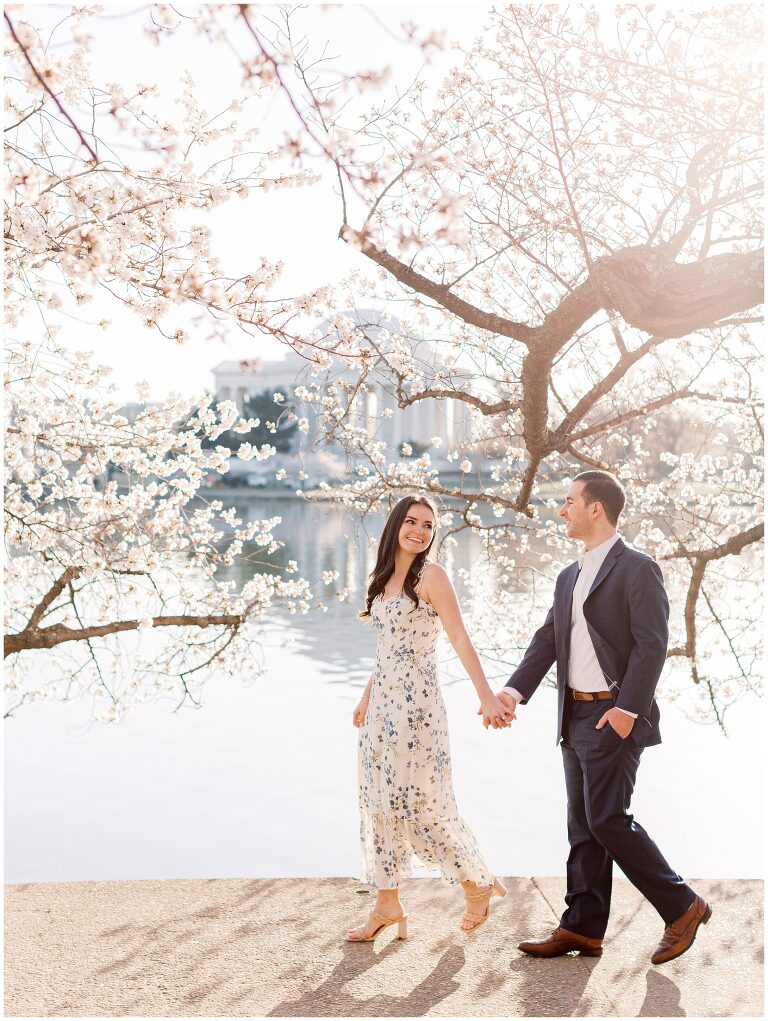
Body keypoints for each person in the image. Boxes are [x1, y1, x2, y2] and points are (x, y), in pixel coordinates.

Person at [489, 470, 711, 965]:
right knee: (583, 825)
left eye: (569, 501)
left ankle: (683, 905)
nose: (562, 510)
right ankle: (583, 928)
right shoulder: (568, 575)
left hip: (614, 715)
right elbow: (548, 638)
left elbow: (653, 644)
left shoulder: (637, 568)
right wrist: (512, 691)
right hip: (573, 715)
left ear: (596, 508)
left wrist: (627, 710)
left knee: (608, 820)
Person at [347, 494, 513, 942]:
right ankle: (387, 903)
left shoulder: (432, 576)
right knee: (378, 801)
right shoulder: (382, 579)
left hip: (417, 708)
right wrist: (366, 697)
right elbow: (386, 650)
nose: (419, 531)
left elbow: (458, 636)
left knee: (422, 802)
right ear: (396, 525)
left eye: (427, 524)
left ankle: (474, 881)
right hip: (382, 705)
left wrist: (486, 696)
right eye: (411, 522)